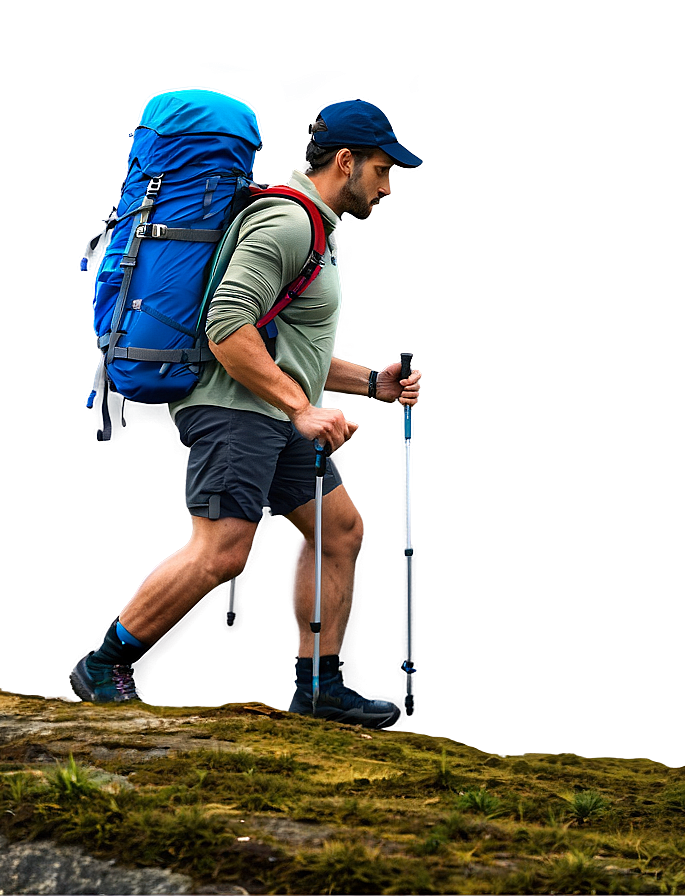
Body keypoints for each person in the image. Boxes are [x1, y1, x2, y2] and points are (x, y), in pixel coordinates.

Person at [70, 98, 423, 729]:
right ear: (346, 161)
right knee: (222, 551)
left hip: (268, 411)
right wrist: (302, 409)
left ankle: (319, 684)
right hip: (234, 410)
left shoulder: (313, 228)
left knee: (339, 530)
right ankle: (104, 662)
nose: (388, 186)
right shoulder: (288, 224)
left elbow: (287, 342)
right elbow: (227, 328)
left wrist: (372, 384)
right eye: (381, 169)